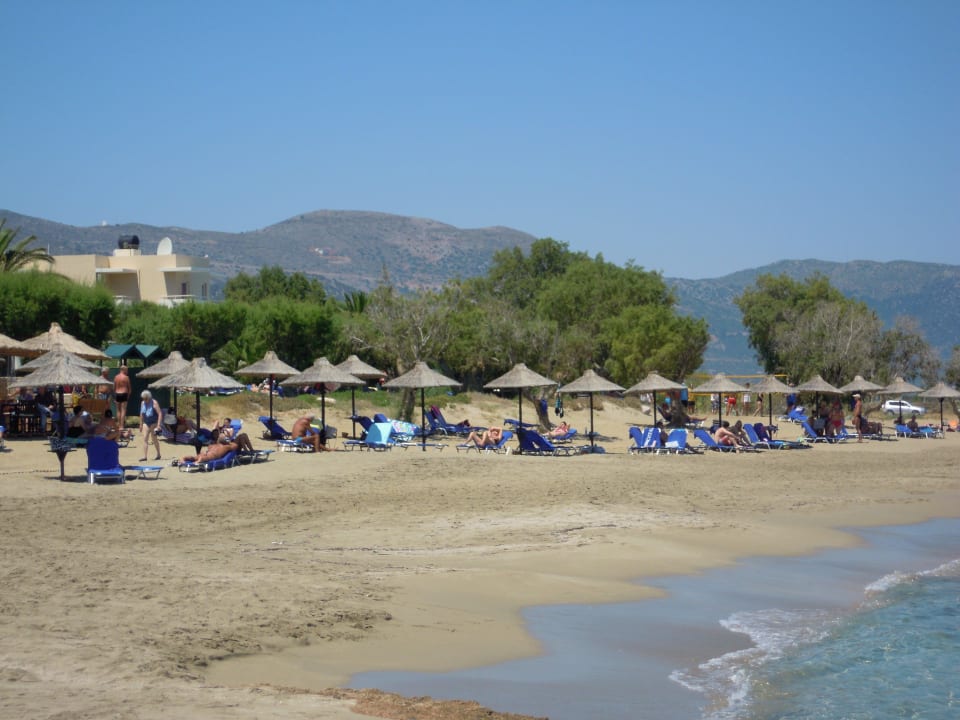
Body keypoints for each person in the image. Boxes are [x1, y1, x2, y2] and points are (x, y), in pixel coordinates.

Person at [139, 390, 162, 461]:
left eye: (146, 398)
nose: (145, 400)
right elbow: (142, 414)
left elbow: (160, 413)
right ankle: (145, 456)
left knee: (154, 439)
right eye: (144, 398)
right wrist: (140, 424)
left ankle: (158, 454)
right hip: (146, 422)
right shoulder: (142, 403)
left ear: (149, 397)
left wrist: (158, 425)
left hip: (154, 423)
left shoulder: (154, 402)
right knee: (145, 439)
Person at [113, 365, 131, 432]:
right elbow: (129, 388)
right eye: (126, 370)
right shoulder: (126, 377)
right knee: (123, 410)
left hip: (117, 394)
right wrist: (128, 395)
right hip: (124, 393)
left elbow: (114, 388)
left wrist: (115, 396)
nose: (127, 371)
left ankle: (118, 424)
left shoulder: (116, 377)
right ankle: (122, 426)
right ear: (123, 370)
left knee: (118, 410)